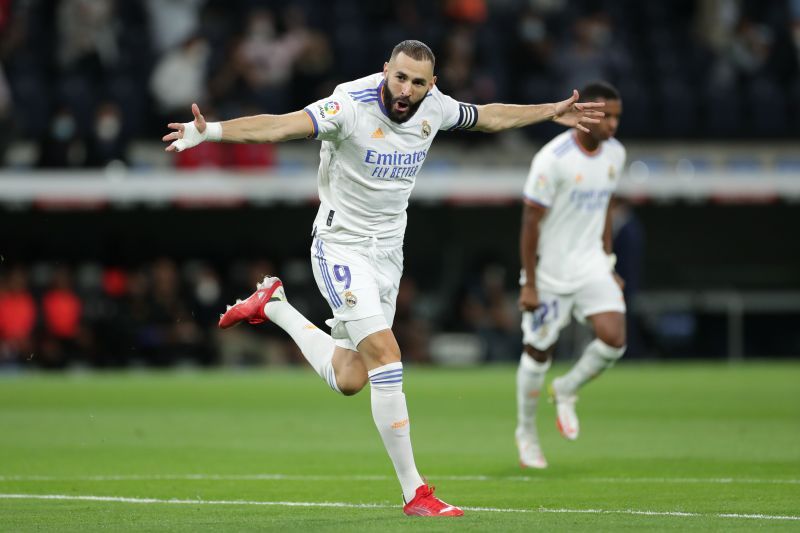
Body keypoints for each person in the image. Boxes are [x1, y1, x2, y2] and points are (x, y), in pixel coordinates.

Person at [163, 40, 604, 517]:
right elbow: (282, 125)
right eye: (400, 77)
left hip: (388, 256)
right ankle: (416, 492)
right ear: (385, 71)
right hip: (341, 247)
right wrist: (213, 131)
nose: (406, 89)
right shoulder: (347, 106)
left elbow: (489, 115)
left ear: (431, 85)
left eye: (418, 82)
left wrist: (549, 112)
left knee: (352, 378)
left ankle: (274, 305)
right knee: (388, 357)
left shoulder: (435, 107)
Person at [515, 81, 626, 470]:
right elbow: (530, 223)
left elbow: (607, 207)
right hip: (551, 272)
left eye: (617, 116)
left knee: (614, 339)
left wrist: (609, 262)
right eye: (605, 115)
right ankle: (526, 433)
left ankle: (567, 388)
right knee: (538, 351)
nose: (612, 124)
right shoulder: (553, 159)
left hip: (592, 264)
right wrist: (530, 283)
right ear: (586, 113)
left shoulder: (616, 154)